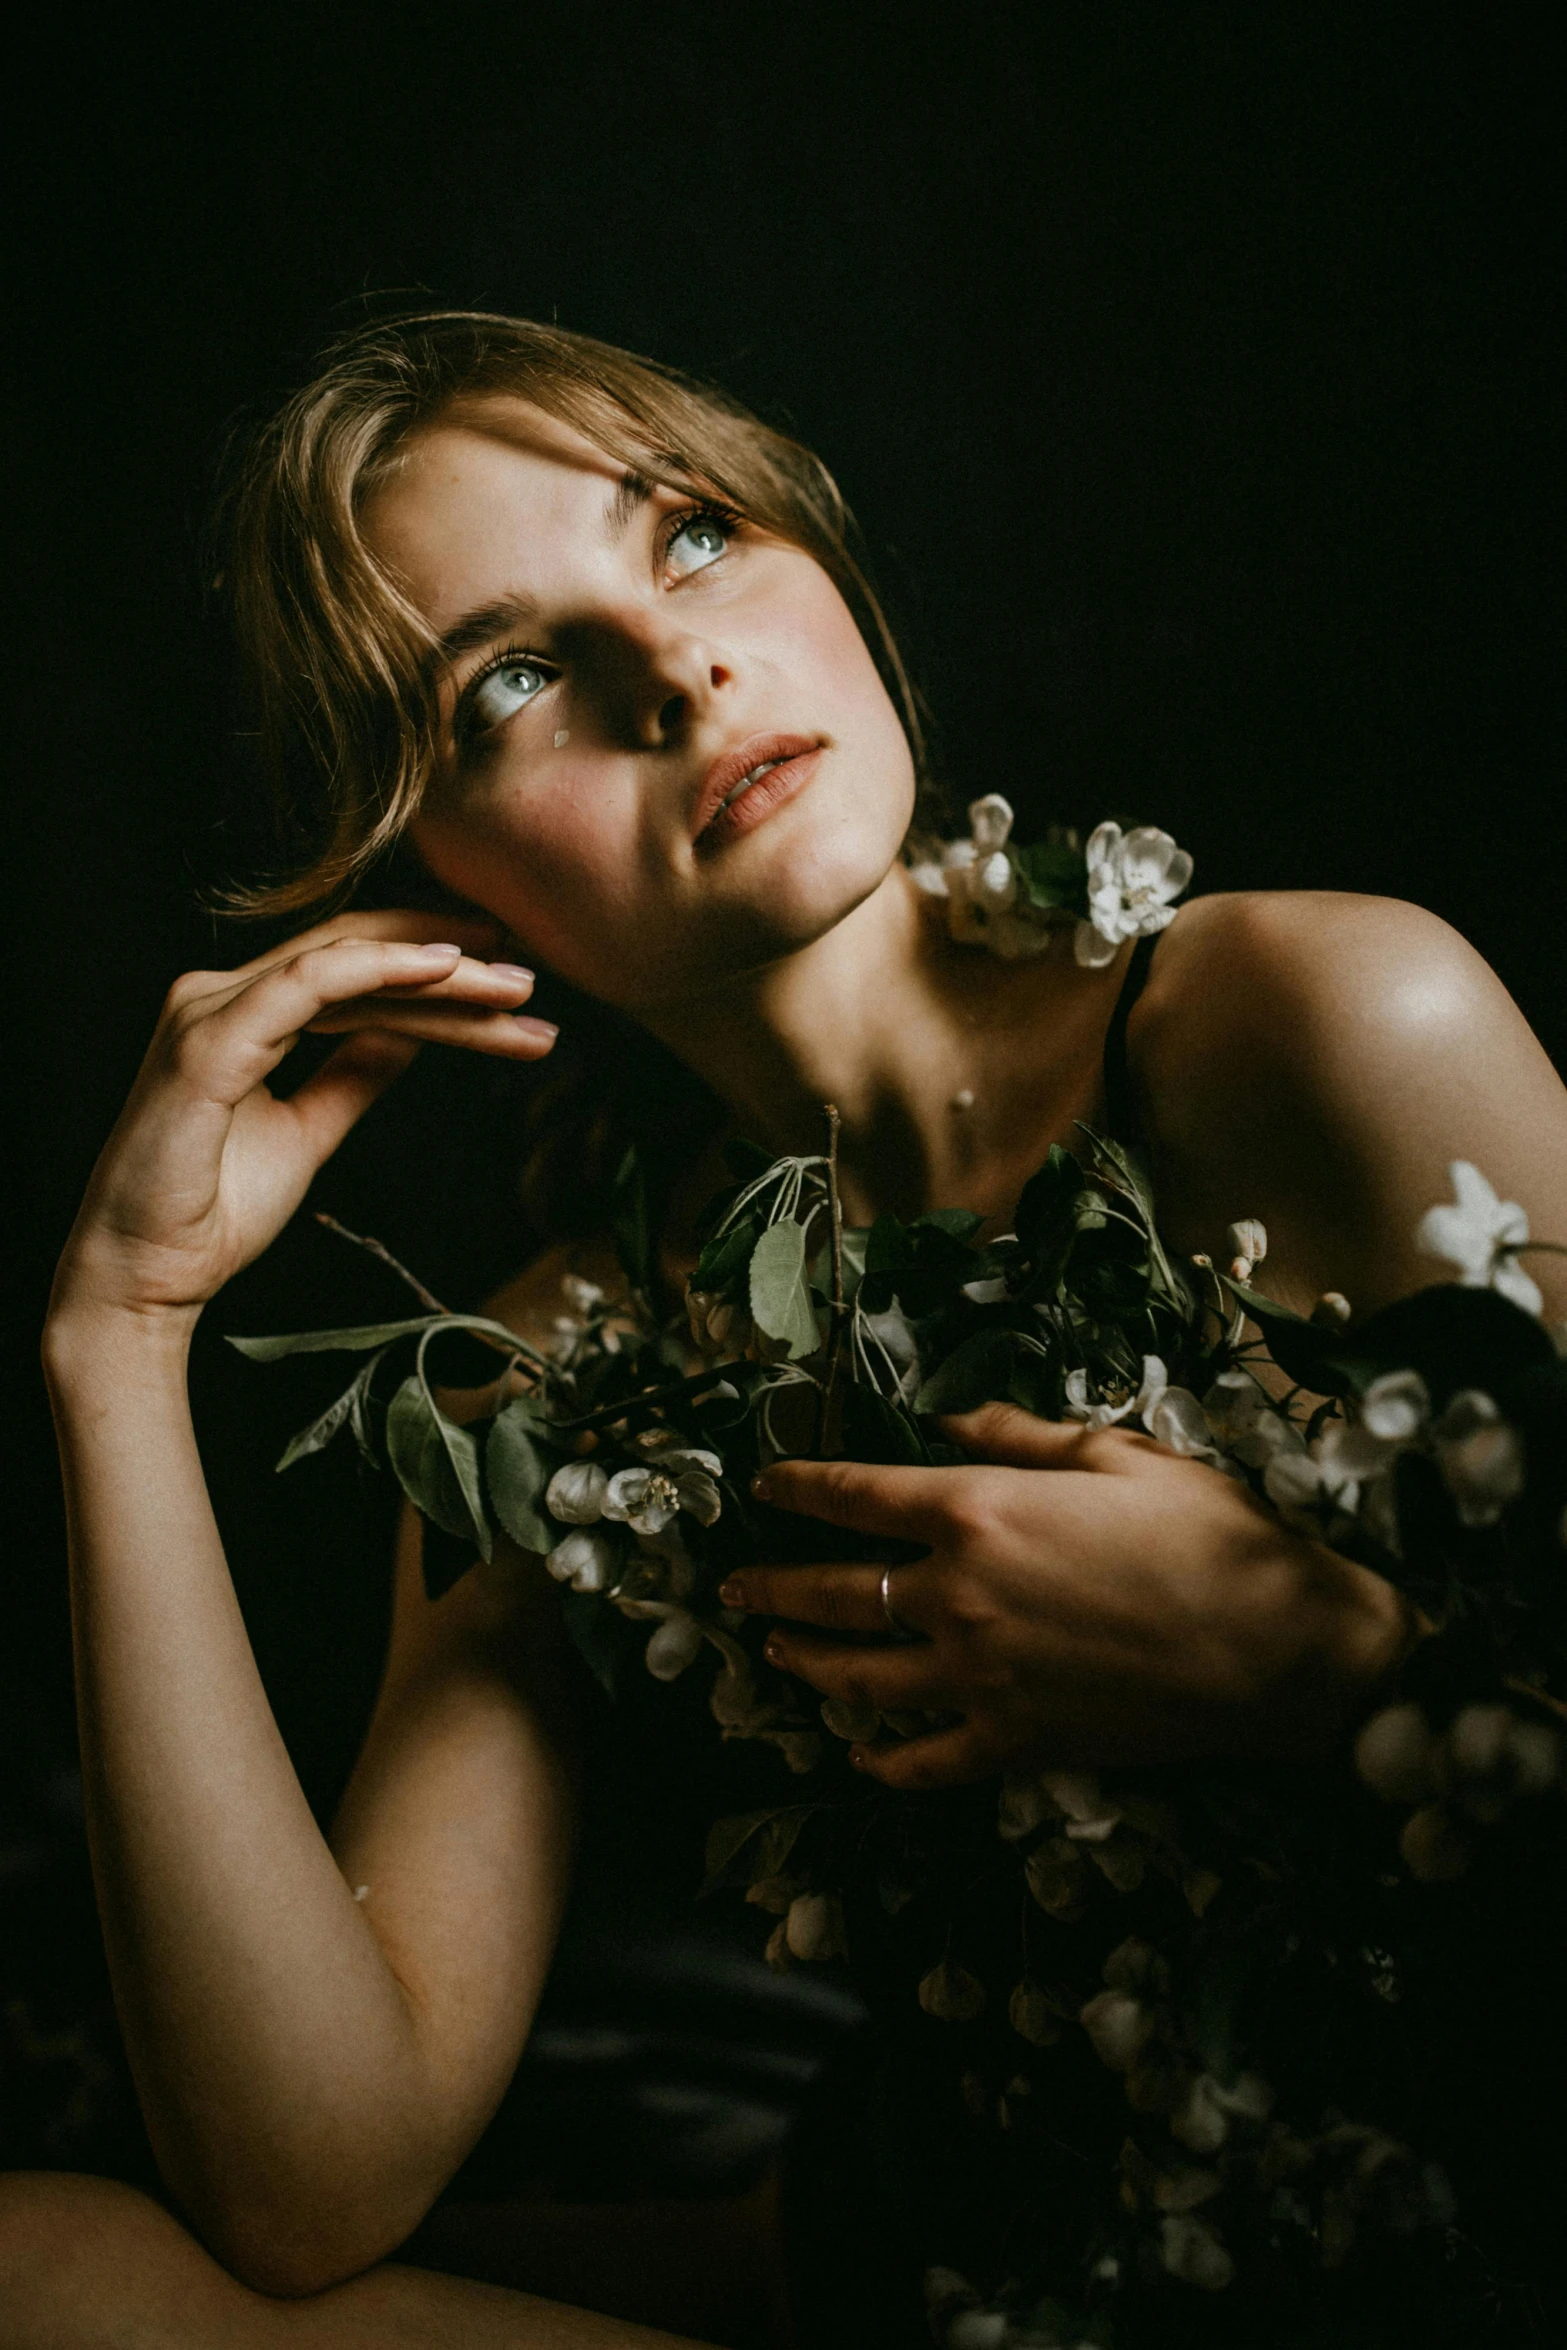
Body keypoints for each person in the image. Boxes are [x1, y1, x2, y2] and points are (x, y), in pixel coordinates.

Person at [11, 310, 1567, 2346]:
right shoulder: (568, 1366)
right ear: (428, 887)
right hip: (971, 2275)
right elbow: (313, 2169)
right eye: (514, 676)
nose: (679, 665)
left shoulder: (1326, 1018)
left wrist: (1323, 1667)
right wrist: (116, 1341)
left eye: (693, 535)